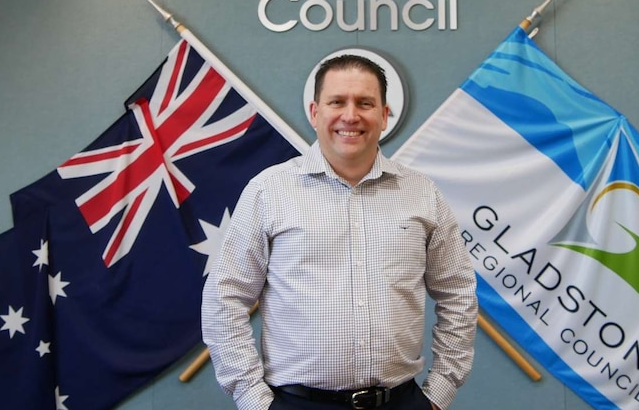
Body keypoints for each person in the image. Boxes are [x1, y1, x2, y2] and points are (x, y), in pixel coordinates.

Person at [202, 54, 478, 410]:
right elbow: (224, 296)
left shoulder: (423, 193)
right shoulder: (269, 191)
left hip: (401, 402)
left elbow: (458, 292)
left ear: (384, 115)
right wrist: (253, 398)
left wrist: (439, 392)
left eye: (365, 103)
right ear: (315, 112)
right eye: (337, 102)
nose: (351, 115)